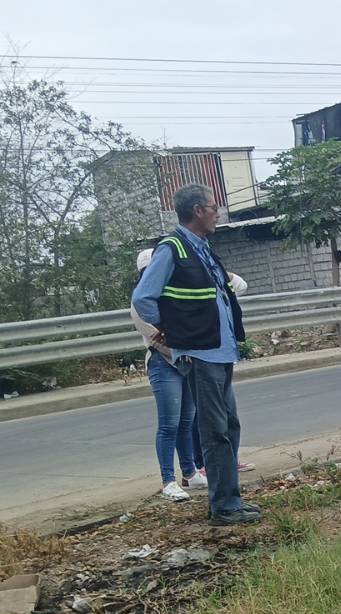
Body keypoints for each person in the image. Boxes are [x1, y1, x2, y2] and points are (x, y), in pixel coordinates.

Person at [131, 183, 260, 525]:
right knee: (215, 431)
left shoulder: (202, 249)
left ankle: (231, 499)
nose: (218, 213)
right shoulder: (172, 249)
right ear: (198, 211)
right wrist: (172, 329)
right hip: (201, 353)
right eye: (214, 207)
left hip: (220, 350)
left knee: (229, 427)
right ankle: (223, 507)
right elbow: (143, 298)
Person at [130, 249, 252, 501]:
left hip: (184, 359)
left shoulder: (172, 295)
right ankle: (168, 480)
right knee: (169, 424)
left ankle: (190, 472)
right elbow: (158, 337)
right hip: (164, 362)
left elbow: (237, 287)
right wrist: (184, 339)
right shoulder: (141, 300)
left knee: (187, 420)